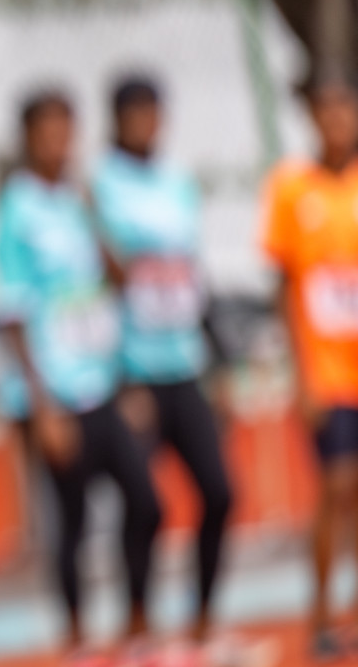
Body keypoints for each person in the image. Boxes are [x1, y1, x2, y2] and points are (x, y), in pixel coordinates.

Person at [0, 91, 160, 665]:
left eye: (67, 130)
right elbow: (12, 316)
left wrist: (92, 215)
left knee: (146, 501)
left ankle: (137, 622)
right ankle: (77, 637)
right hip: (58, 394)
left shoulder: (80, 199)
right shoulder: (16, 209)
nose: (59, 142)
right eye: (48, 132)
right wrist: (42, 407)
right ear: (29, 138)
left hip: (103, 382)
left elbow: (118, 281)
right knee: (73, 520)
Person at [91, 75, 235, 660]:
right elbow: (95, 285)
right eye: (136, 114)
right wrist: (119, 377)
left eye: (154, 113)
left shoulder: (178, 181)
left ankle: (202, 622)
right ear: (117, 120)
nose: (147, 124)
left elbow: (192, 269)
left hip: (185, 364)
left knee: (220, 493)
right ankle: (138, 626)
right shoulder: (98, 186)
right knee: (144, 503)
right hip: (135, 372)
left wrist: (218, 359)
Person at [261, 74, 358, 661]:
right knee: (337, 484)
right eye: (325, 110)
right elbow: (281, 284)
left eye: (344, 107)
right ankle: (321, 611)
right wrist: (300, 376)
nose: (336, 119)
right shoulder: (292, 189)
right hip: (326, 372)